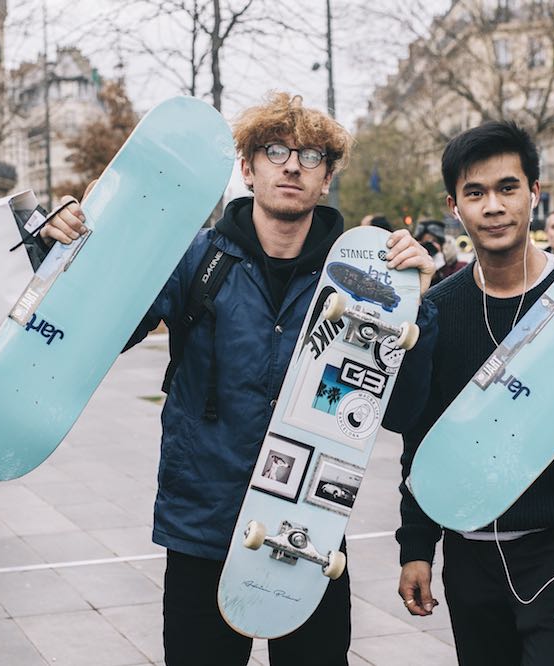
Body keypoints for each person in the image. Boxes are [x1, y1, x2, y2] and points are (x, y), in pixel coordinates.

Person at [42, 92, 437, 665]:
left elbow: (402, 411)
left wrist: (414, 304)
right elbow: (105, 334)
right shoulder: (196, 259)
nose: (292, 165)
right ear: (247, 168)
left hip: (308, 527)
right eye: (274, 151)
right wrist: (69, 250)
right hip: (202, 526)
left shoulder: (366, 281)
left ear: (327, 177)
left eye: (310, 156)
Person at [396, 121, 554, 665]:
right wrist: (416, 547)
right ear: (454, 206)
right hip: (468, 552)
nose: (493, 206)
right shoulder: (439, 308)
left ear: (535, 192)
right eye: (476, 193)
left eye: (508, 188)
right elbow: (421, 434)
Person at [415, 219, 468, 285]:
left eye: (433, 241)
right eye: (423, 243)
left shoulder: (460, 268)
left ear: (444, 245)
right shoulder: (413, 271)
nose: (428, 247)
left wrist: (440, 270)